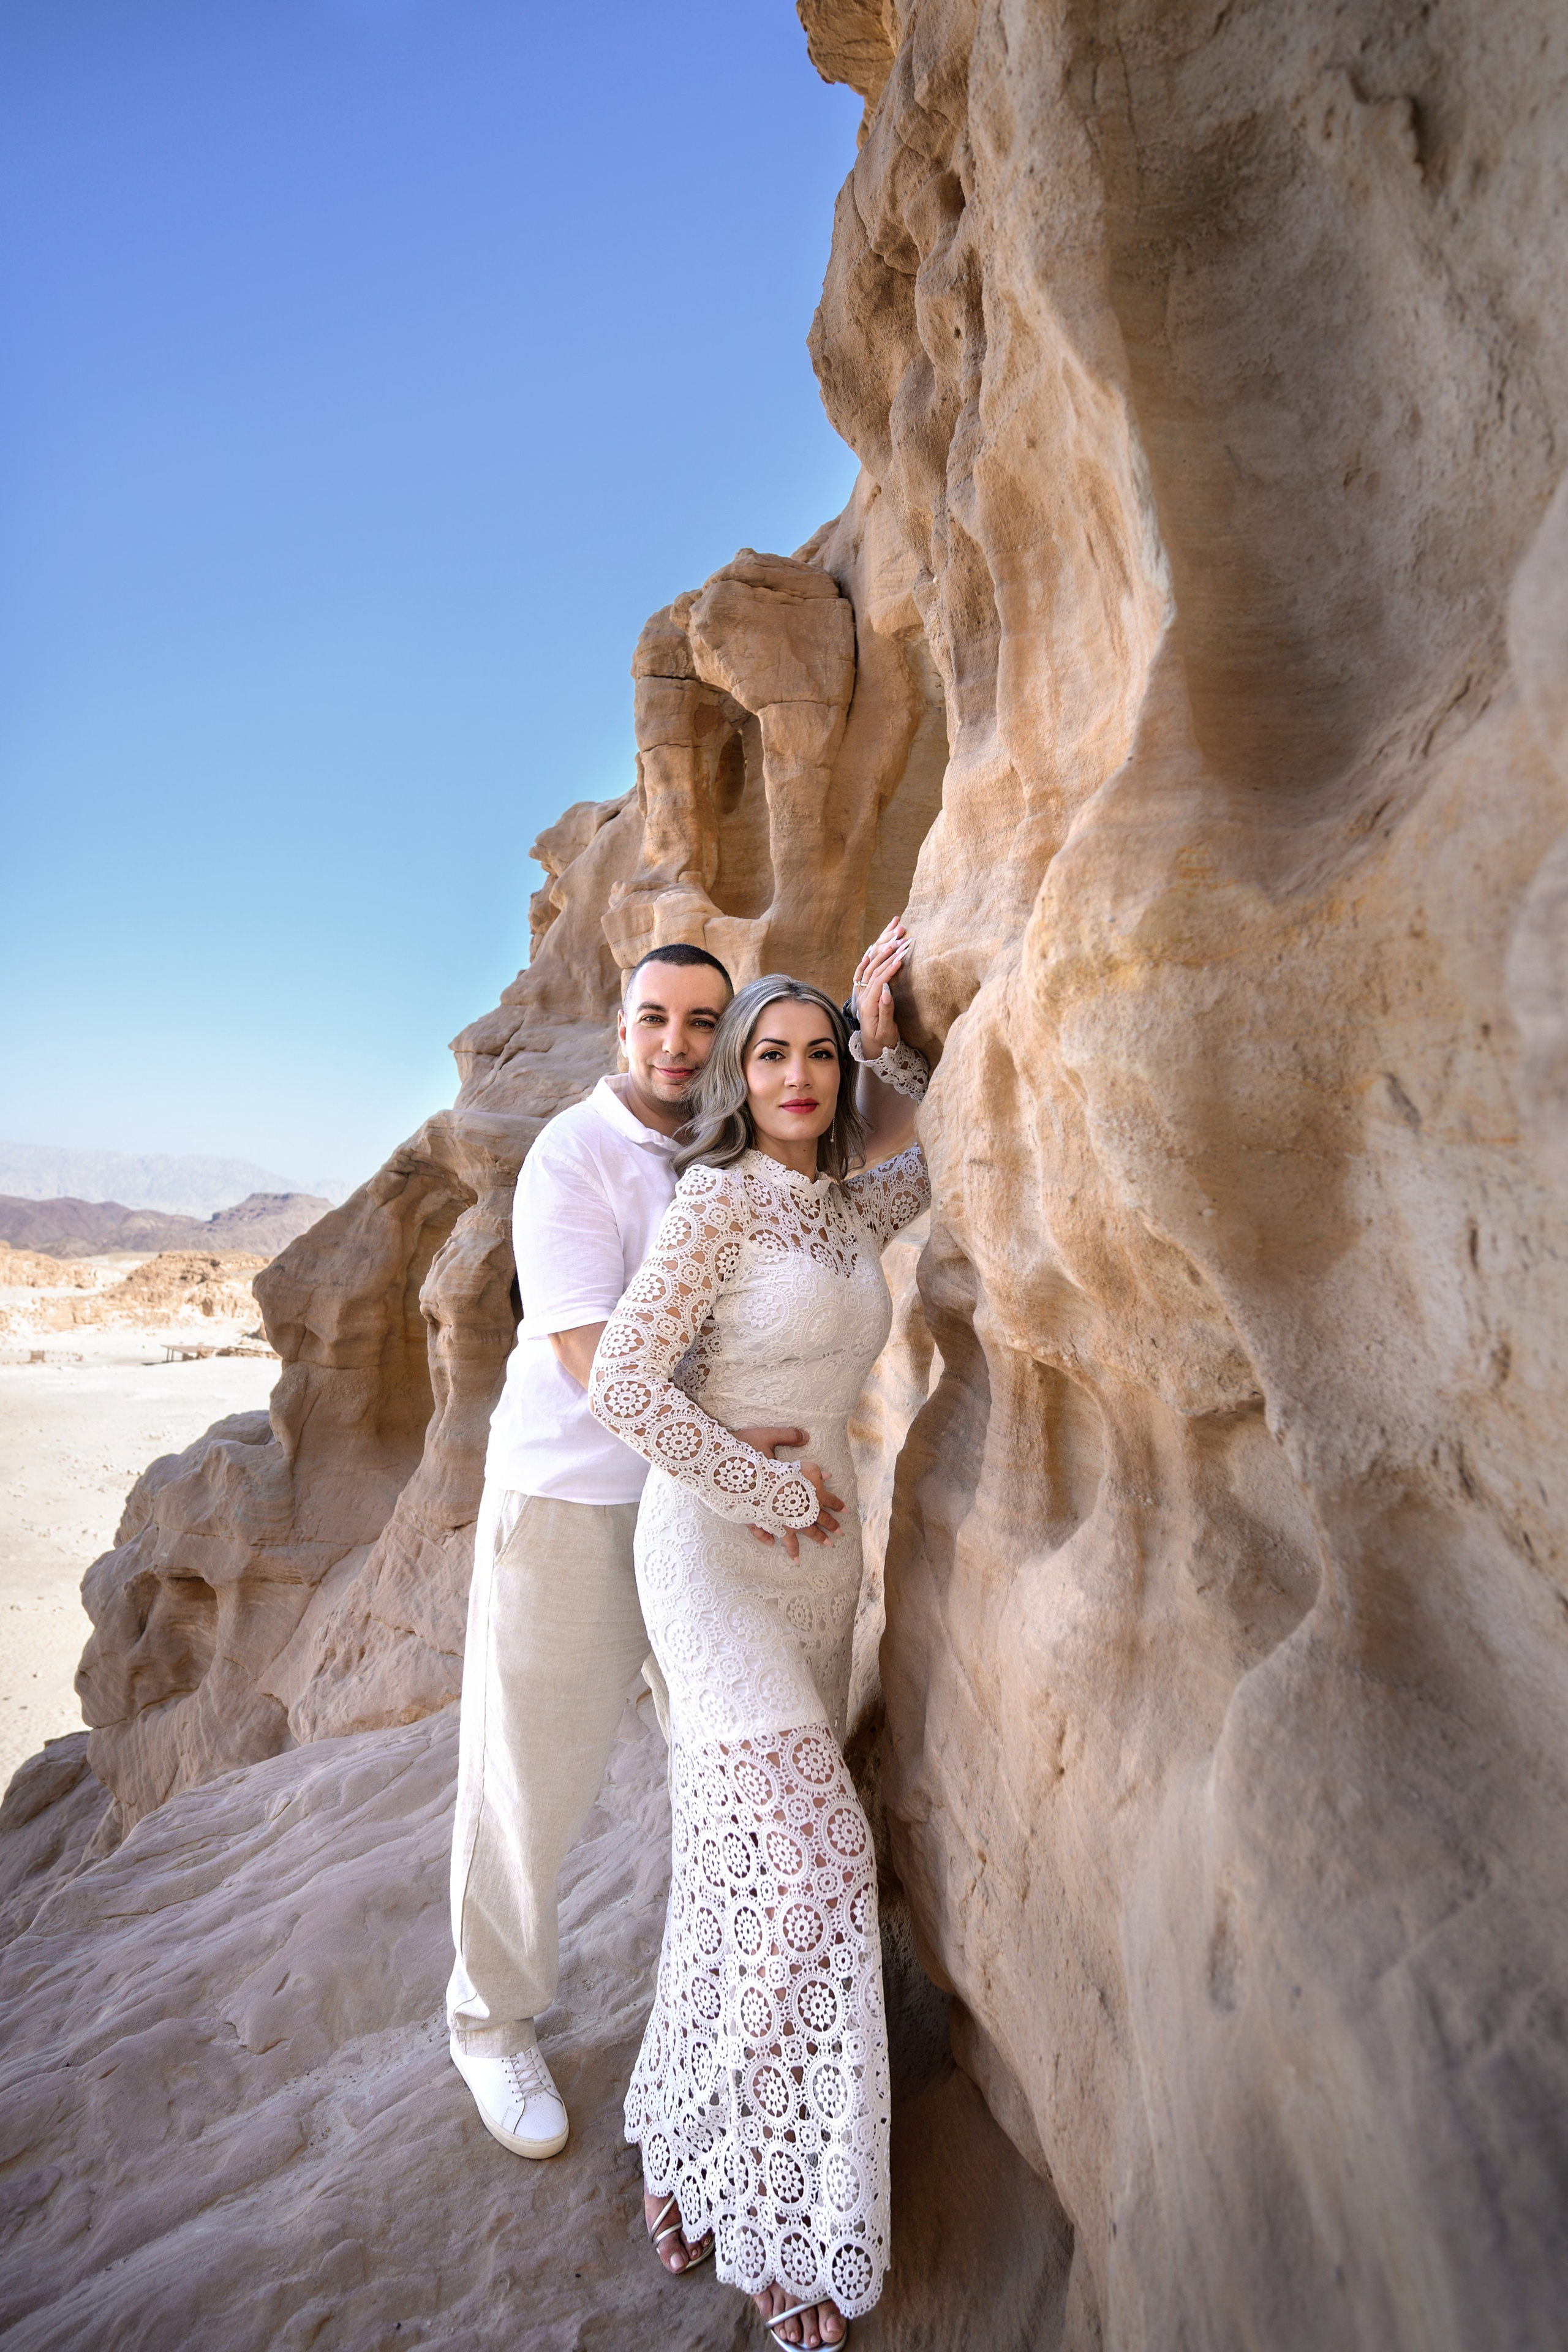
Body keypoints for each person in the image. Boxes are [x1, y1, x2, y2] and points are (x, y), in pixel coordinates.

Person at [588, 925, 928, 2349]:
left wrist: (893, 1034)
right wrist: (761, 1481)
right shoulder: (713, 1202)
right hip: (712, 1558)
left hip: (817, 1577)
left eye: (818, 1055)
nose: (798, 1074)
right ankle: (770, 2195)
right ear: (735, 1074)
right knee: (812, 1855)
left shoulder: (845, 1211)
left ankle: (675, 2130)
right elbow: (622, 1383)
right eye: (769, 1052)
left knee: (737, 1861)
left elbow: (941, 1158)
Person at [447, 941, 757, 2195]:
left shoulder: (726, 1150)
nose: (677, 1044)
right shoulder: (574, 1156)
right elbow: (592, 1363)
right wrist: (750, 1469)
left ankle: (725, 2024)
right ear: (618, 1031)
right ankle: (490, 2023)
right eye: (654, 1020)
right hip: (573, 1505)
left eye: (700, 1022)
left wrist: (887, 1031)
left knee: (729, 1764)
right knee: (530, 1779)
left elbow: (859, 1154)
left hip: (691, 1520)